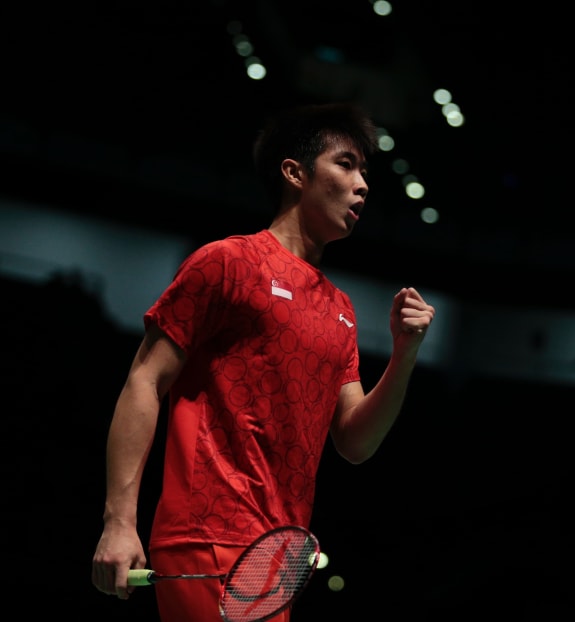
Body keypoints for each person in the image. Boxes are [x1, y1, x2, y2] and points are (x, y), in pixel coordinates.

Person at [90, 102, 436, 621]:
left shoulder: (340, 310)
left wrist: (405, 355)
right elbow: (144, 380)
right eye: (345, 164)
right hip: (207, 533)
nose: (362, 183)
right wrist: (119, 520)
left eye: (365, 170)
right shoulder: (228, 263)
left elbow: (356, 441)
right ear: (294, 173)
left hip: (277, 555)